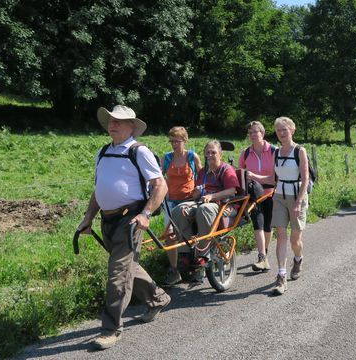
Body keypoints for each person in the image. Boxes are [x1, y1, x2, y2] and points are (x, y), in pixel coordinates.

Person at [76, 105, 171, 350]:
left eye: (119, 121)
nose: (112, 124)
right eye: (110, 120)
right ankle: (158, 298)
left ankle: (111, 329)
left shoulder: (139, 152)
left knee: (117, 275)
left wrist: (146, 214)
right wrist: (88, 218)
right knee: (129, 266)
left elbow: (160, 186)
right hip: (107, 221)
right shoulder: (103, 151)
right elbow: (99, 191)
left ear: (132, 126)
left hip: (130, 222)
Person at [171, 140, 240, 267]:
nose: (210, 155)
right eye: (207, 152)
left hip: (223, 204)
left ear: (220, 153)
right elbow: (196, 195)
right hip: (203, 202)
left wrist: (212, 196)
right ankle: (185, 253)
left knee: (204, 209)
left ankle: (204, 253)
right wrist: (196, 193)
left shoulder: (226, 169)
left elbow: (232, 191)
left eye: (213, 152)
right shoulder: (203, 172)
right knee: (179, 209)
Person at [262, 117, 309, 295]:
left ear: (292, 130)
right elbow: (272, 179)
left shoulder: (300, 151)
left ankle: (298, 258)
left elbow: (305, 179)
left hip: (297, 196)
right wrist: (252, 176)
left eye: (284, 130)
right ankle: (281, 275)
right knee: (281, 235)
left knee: (294, 240)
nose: (281, 133)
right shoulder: (276, 152)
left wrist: (298, 202)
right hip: (279, 196)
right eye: (278, 130)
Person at [161, 126, 202, 286]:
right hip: (171, 202)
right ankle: (174, 270)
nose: (174, 144)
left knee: (191, 234)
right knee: (170, 235)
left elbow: (201, 177)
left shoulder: (192, 156)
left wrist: (200, 192)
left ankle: (197, 267)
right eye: (171, 141)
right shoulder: (167, 158)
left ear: (184, 141)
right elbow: (159, 176)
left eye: (177, 141)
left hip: (189, 201)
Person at [239, 121, 276, 272]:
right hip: (254, 195)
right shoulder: (246, 153)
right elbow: (240, 174)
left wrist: (256, 176)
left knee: (268, 226)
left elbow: (277, 176)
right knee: (258, 224)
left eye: (256, 131)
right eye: (250, 133)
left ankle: (265, 253)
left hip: (272, 193)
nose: (253, 135)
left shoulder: (274, 151)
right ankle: (261, 256)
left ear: (263, 133)